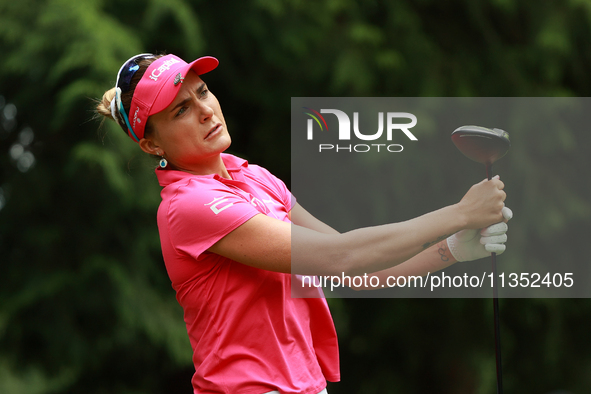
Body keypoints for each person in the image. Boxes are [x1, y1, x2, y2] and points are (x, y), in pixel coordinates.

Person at [95, 53, 511, 394]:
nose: (205, 110)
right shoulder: (188, 206)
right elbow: (342, 257)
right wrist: (459, 212)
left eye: (202, 92)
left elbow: (363, 274)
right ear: (152, 144)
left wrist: (453, 248)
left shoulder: (254, 177)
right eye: (181, 110)